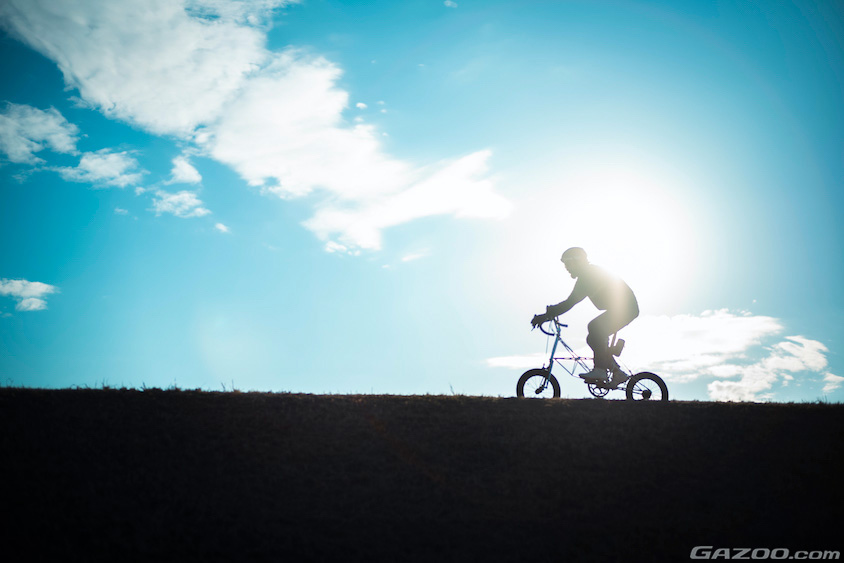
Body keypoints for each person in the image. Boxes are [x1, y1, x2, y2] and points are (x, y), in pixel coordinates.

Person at [531, 247, 639, 388]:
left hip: (626, 308)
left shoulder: (588, 276)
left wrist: (545, 316)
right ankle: (616, 371)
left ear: (577, 262)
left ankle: (601, 370)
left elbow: (570, 303)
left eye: (568, 265)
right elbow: (570, 302)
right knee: (593, 338)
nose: (567, 269)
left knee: (595, 327)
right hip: (622, 308)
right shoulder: (586, 275)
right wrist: (547, 315)